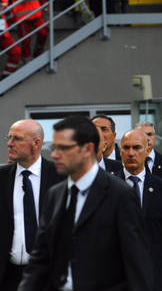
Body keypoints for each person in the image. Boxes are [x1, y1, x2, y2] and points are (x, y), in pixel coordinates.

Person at [18, 115, 152, 291]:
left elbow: (137, 267)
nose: (55, 155)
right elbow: (40, 260)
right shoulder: (55, 195)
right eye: (54, 147)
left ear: (88, 149)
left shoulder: (120, 195)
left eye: (63, 148)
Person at [118, 130, 162, 291]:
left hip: (155, 278)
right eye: (126, 148)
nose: (131, 153)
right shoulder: (106, 187)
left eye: (136, 148)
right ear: (120, 151)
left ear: (147, 150)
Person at [0, 120, 62, 290]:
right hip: (7, 276)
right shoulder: (2, 177)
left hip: (47, 276)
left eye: (17, 139)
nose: (9, 144)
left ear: (36, 143)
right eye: (9, 138)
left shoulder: (60, 177)